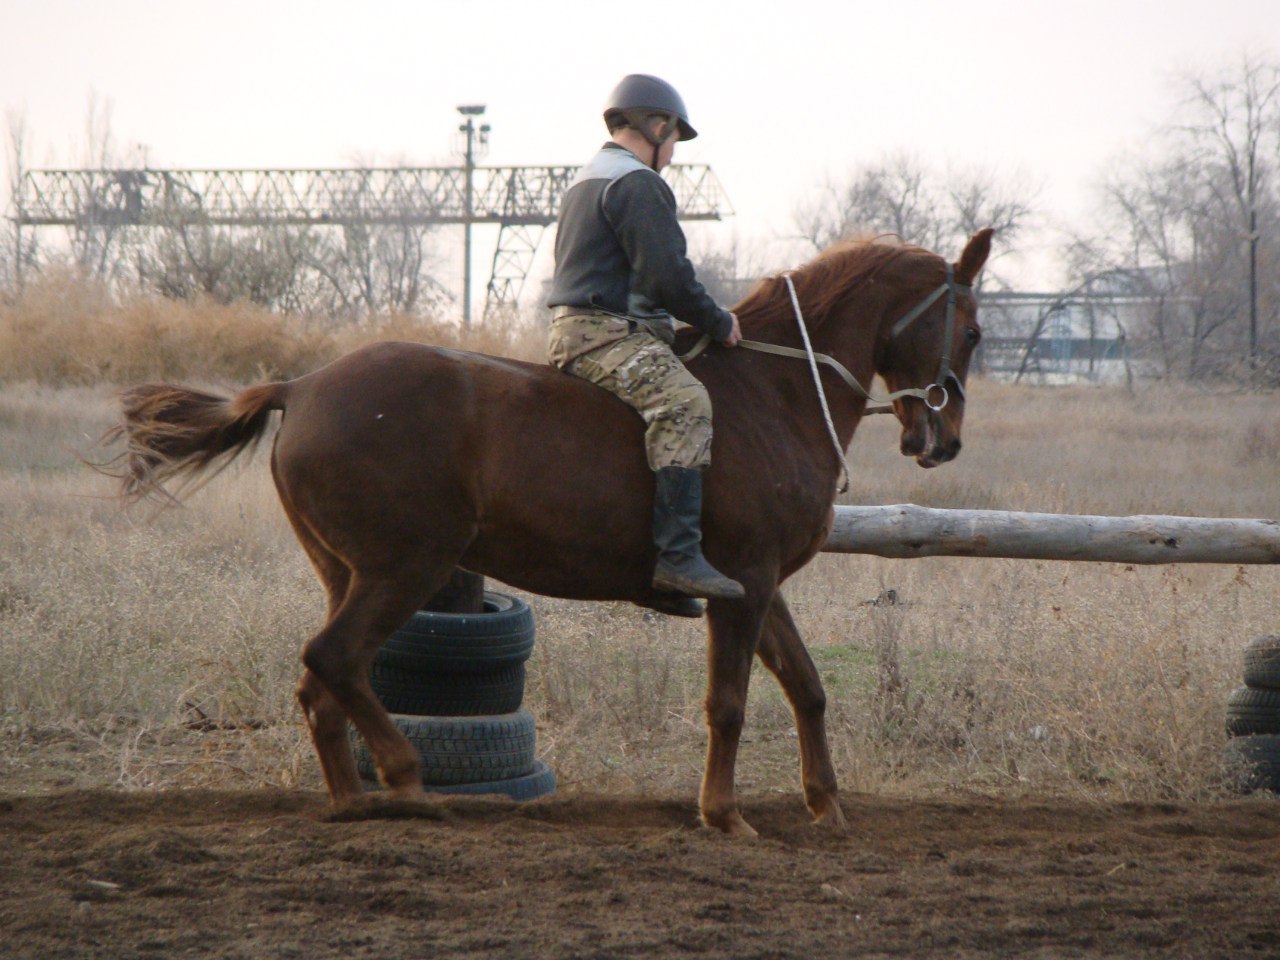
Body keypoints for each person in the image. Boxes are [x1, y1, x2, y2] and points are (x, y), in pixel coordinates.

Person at [546, 74, 744, 609]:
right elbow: (667, 278)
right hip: (604, 335)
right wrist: (718, 320)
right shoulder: (637, 182)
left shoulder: (587, 178)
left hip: (583, 328)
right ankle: (678, 558)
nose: (673, 151)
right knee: (685, 401)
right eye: (675, 137)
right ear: (656, 126)